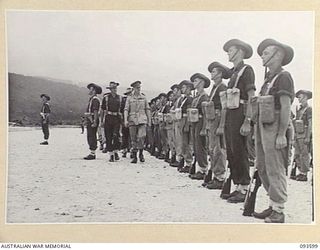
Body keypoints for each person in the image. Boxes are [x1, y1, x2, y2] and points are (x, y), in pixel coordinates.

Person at [253, 39, 295, 223]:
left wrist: (281, 135)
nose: (262, 55)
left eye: (266, 52)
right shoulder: (268, 78)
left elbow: (285, 107)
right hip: (263, 124)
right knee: (263, 166)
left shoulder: (284, 77)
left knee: (276, 167)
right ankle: (272, 204)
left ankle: (279, 210)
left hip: (276, 124)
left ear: (278, 54)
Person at [222, 39, 256, 203]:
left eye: (231, 50)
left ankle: (243, 187)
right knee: (232, 150)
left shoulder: (246, 70)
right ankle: (237, 185)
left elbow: (251, 97)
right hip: (231, 113)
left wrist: (247, 120)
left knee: (240, 150)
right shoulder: (234, 72)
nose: (228, 53)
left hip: (241, 113)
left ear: (240, 51)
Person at [204, 62, 229, 189]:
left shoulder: (222, 88)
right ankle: (215, 174)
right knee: (212, 148)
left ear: (220, 74)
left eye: (214, 72)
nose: (211, 74)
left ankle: (220, 177)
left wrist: (222, 125)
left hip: (218, 118)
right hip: (212, 119)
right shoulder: (215, 87)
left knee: (219, 149)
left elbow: (225, 107)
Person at [188, 73, 210, 180]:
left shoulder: (204, 96)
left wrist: (204, 127)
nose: (194, 83)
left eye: (196, 81)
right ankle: (199, 168)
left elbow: (206, 113)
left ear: (202, 82)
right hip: (195, 122)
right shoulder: (197, 96)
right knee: (196, 145)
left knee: (201, 145)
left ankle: (203, 169)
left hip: (201, 121)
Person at [124, 81, 151, 163]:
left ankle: (141, 153)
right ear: (133, 88)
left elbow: (147, 109)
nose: (139, 89)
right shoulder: (129, 98)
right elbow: (126, 110)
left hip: (142, 119)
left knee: (141, 136)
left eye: (139, 87)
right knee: (133, 138)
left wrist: (149, 121)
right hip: (132, 120)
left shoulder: (144, 97)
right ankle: (135, 156)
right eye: (137, 88)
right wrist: (125, 120)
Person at [293, 90, 312, 181]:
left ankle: (304, 173)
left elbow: (310, 123)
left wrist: (308, 136)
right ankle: (300, 171)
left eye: (300, 97)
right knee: (297, 154)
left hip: (304, 134)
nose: (299, 99)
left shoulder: (308, 109)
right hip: (298, 134)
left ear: (305, 97)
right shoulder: (299, 109)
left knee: (304, 154)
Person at [100, 82, 122, 162]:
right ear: (110, 89)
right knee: (108, 136)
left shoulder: (119, 98)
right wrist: (101, 121)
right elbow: (102, 110)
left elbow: (122, 110)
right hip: (108, 117)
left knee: (116, 135)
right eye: (113, 88)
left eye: (115, 88)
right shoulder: (106, 98)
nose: (115, 90)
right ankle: (111, 154)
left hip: (116, 118)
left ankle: (116, 151)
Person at [177, 80, 194, 173]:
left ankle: (189, 163)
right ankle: (185, 161)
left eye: (184, 87)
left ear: (189, 88)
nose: (182, 89)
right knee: (183, 143)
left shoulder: (190, 99)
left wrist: (187, 124)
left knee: (187, 143)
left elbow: (188, 112)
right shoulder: (184, 99)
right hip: (182, 121)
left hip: (186, 121)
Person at [83, 83, 102, 160]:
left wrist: (94, 121)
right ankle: (92, 152)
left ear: (94, 91)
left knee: (92, 135)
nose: (89, 90)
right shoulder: (92, 99)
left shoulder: (95, 99)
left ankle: (92, 153)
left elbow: (95, 111)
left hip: (92, 119)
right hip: (90, 119)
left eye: (91, 89)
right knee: (90, 135)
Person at [121, 87, 132, 158]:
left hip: (133, 120)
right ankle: (124, 150)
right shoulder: (123, 100)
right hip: (125, 119)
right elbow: (121, 110)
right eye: (128, 94)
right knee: (125, 135)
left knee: (132, 136)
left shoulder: (134, 100)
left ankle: (131, 150)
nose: (129, 95)